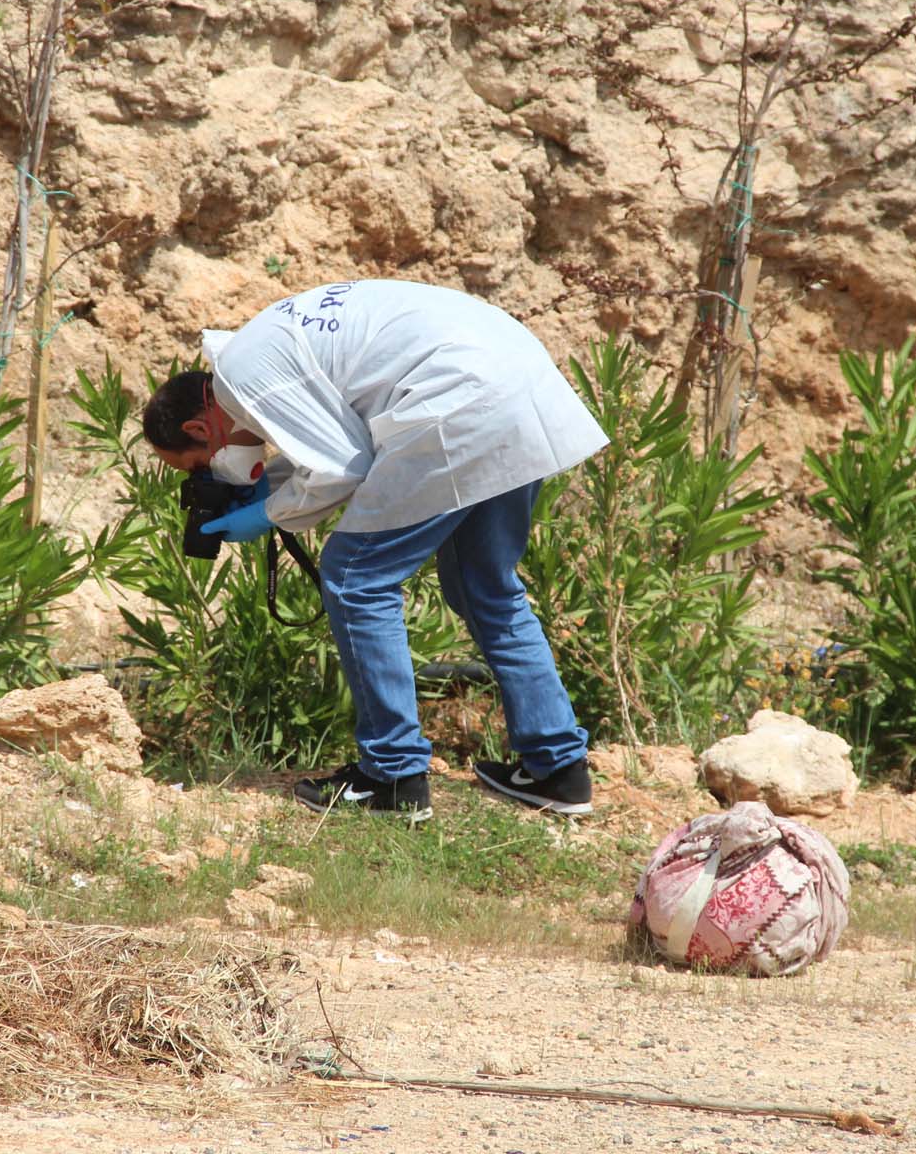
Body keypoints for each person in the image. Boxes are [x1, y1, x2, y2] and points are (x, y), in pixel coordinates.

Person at [141, 278, 608, 824]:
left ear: (201, 427)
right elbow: (339, 443)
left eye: (199, 466)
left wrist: (261, 513)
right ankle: (558, 770)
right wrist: (271, 490)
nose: (211, 478)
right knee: (485, 585)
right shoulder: (256, 353)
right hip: (515, 382)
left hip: (458, 401)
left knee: (355, 578)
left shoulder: (245, 379)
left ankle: (391, 776)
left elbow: (343, 468)